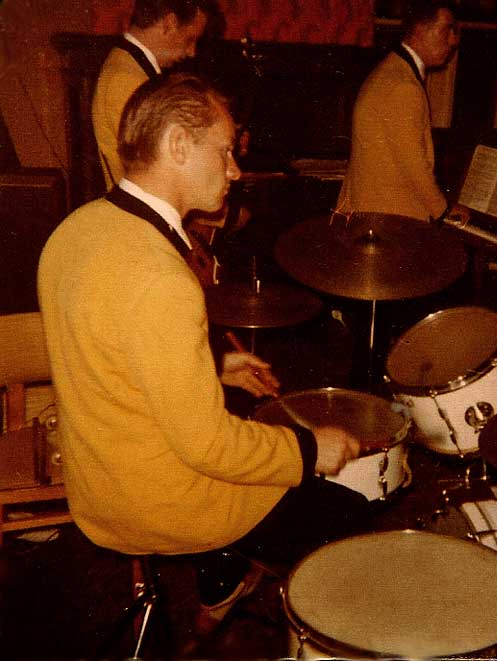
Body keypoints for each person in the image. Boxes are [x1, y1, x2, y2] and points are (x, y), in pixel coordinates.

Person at [38, 73, 370, 637]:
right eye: (225, 151)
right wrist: (312, 449)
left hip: (97, 482)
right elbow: (208, 446)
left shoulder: (77, 229)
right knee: (352, 519)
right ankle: (305, 626)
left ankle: (227, 572)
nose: (236, 170)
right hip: (158, 500)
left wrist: (215, 368)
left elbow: (111, 356)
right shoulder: (161, 277)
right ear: (176, 146)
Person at [336, 0, 469, 226]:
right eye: (447, 29)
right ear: (419, 29)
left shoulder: (392, 71)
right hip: (389, 219)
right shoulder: (403, 86)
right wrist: (444, 209)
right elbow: (414, 164)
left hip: (374, 212)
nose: (454, 40)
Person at [92, 0, 219, 189]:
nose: (192, 52)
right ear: (169, 23)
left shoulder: (130, 66)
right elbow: (154, 172)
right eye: (190, 39)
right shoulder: (127, 79)